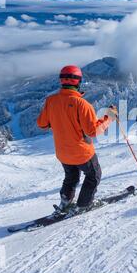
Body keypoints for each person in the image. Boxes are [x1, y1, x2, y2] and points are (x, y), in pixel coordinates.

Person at [37, 65, 117, 214]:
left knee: (71, 177)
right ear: (78, 81)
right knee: (93, 175)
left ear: (62, 81)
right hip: (82, 153)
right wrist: (110, 117)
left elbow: (42, 124)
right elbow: (93, 131)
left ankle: (65, 202)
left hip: (63, 153)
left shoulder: (51, 101)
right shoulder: (82, 105)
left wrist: (58, 120)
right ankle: (83, 205)